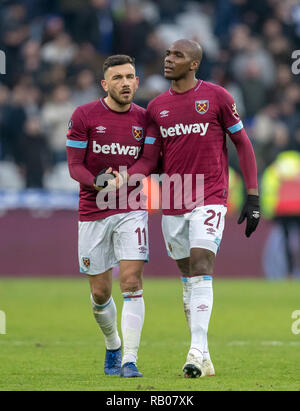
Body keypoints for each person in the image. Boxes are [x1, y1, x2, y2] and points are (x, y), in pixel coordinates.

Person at [108, 39, 261, 378]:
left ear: (193, 64)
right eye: (167, 54)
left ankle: (194, 350)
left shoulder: (217, 97)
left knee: (202, 263)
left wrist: (253, 196)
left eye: (177, 55)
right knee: (188, 278)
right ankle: (203, 356)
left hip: (210, 196)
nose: (168, 59)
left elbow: (243, 143)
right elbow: (149, 158)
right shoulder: (156, 108)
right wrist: (125, 177)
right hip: (173, 201)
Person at [66, 54, 148, 378]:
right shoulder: (84, 115)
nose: (125, 83)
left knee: (131, 281)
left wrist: (126, 179)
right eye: (117, 78)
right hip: (93, 211)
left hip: (131, 208)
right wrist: (99, 182)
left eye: (130, 77)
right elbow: (75, 166)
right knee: (100, 294)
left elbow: (149, 160)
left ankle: (129, 359)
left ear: (137, 81)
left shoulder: (145, 119)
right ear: (105, 84)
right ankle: (113, 343)